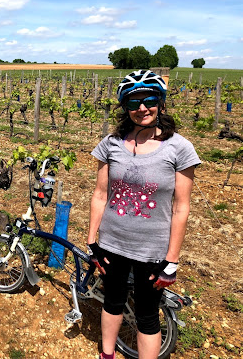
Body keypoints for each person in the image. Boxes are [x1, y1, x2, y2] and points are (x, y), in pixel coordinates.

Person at [87, 70, 201, 359]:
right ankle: (107, 354)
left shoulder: (179, 148)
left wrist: (172, 260)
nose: (142, 108)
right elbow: (100, 194)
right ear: (125, 107)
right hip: (112, 244)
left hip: (152, 251)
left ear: (160, 102)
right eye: (134, 102)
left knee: (148, 316)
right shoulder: (111, 144)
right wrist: (92, 243)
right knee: (112, 302)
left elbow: (181, 207)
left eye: (149, 100)